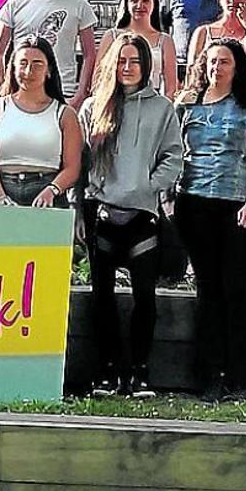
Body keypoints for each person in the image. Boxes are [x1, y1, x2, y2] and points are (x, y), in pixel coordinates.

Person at [78, 33, 182, 398]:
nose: (127, 67)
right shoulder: (93, 107)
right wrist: (82, 205)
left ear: (146, 65)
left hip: (142, 215)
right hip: (102, 211)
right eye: (121, 60)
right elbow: (80, 161)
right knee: (102, 295)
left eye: (135, 60)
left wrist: (149, 185)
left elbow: (173, 156)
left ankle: (139, 371)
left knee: (144, 296)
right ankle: (107, 371)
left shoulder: (162, 108)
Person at [174, 38, 246, 400]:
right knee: (208, 290)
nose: (217, 68)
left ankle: (243, 378)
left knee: (238, 291)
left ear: (237, 66)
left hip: (237, 207)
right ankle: (208, 375)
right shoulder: (187, 104)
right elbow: (174, 152)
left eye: (225, 61)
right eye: (212, 61)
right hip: (194, 204)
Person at [0, 34, 82, 207]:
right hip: (2, 191)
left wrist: (52, 190)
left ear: (49, 70)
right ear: (13, 67)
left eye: (37, 64)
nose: (28, 71)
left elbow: (72, 167)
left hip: (47, 194)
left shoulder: (65, 114)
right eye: (23, 63)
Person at [97, 0, 178, 99]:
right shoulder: (111, 37)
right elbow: (98, 78)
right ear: (126, 3)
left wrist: (163, 108)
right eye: (134, 0)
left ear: (154, 3)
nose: (140, 5)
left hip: (151, 102)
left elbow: (171, 89)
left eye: (145, 0)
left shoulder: (165, 40)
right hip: (117, 101)